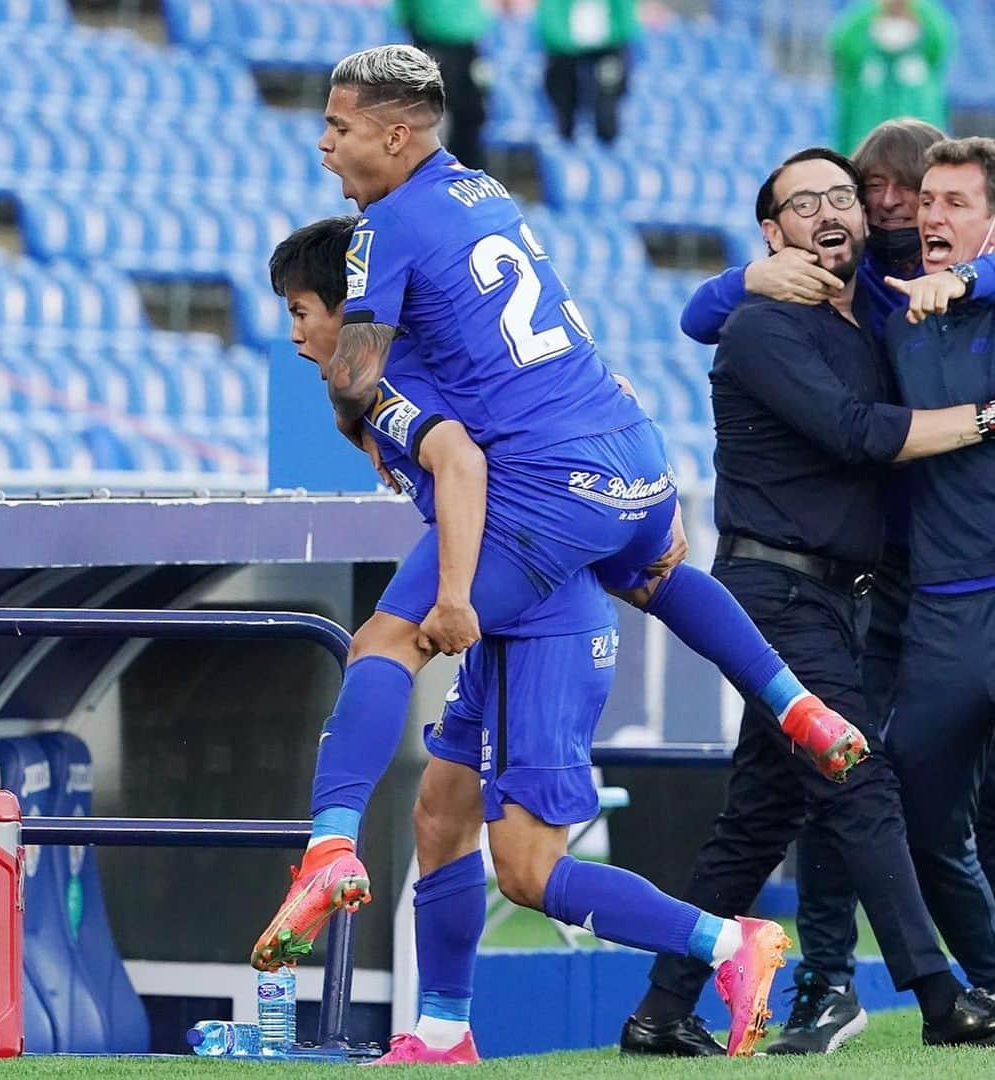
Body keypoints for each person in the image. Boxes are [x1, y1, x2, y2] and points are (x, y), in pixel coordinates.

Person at [251, 45, 867, 981]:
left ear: (393, 132)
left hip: (543, 525)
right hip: (625, 457)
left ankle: (332, 842)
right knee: (447, 807)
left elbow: (407, 416)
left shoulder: (386, 242)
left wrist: (432, 550)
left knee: (386, 646)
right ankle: (796, 708)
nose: (325, 146)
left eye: (337, 128)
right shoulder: (483, 193)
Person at [267, 214, 794, 1059]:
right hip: (506, 626)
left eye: (302, 310)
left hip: (545, 631)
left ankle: (730, 946)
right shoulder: (389, 386)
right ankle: (442, 1031)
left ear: (353, 307)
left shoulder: (408, 389)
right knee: (439, 817)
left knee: (526, 870)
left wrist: (451, 594)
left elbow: (472, 469)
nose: (293, 333)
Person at [622, 147, 995, 1056]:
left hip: (833, 598)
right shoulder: (760, 327)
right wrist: (986, 418)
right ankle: (940, 994)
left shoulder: (858, 316)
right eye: (805, 203)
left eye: (843, 197)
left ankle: (661, 1011)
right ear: (773, 233)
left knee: (757, 818)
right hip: (776, 592)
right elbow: (858, 434)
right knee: (856, 776)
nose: (831, 211)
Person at [879, 135, 995, 1011]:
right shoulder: (896, 323)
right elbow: (701, 318)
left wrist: (970, 281)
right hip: (943, 611)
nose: (933, 216)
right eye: (929, 200)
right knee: (922, 815)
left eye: (957, 202)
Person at [829, 0, 955, 156]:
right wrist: (877, 8)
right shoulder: (867, 75)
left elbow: (940, 40)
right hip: (868, 123)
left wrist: (914, 8)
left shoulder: (919, 74)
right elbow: (844, 42)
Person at [391, 0, 496, 170]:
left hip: (467, 47)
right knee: (431, 117)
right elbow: (402, 15)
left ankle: (466, 175)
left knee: (471, 116)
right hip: (432, 45)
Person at [535, 0, 641, 144]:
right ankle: (566, 142)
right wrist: (568, 43)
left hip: (608, 50)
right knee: (564, 102)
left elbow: (627, 23)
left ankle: (606, 144)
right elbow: (550, 23)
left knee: (607, 102)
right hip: (565, 54)